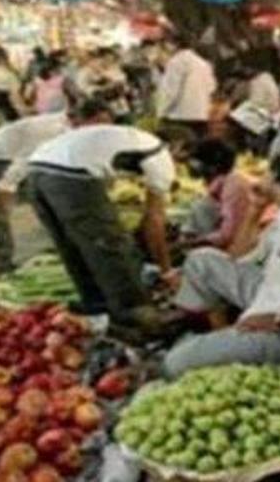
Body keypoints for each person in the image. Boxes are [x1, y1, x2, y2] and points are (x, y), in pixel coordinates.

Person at [162, 151, 280, 377]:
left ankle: (229, 342)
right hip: (276, 294)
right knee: (202, 260)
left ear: (274, 178)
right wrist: (255, 210)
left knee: (174, 362)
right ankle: (220, 334)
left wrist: (276, 321)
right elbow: (240, 256)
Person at [27, 121, 184, 338]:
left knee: (74, 246)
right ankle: (136, 315)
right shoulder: (159, 155)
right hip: (71, 175)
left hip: (36, 169)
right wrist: (166, 270)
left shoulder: (132, 138)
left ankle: (97, 309)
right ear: (178, 148)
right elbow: (154, 222)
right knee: (111, 246)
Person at [0, 98, 112, 276]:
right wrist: (6, 187)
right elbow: (25, 160)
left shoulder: (75, 125)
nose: (103, 128)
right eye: (99, 122)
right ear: (81, 118)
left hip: (22, 159)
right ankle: (2, 266)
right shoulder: (49, 130)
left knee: (48, 201)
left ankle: (65, 250)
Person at [155, 34, 217, 146]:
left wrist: (161, 112)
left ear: (173, 45)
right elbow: (212, 88)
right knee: (196, 151)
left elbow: (171, 91)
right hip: (201, 116)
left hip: (179, 117)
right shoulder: (203, 63)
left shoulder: (176, 62)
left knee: (178, 153)